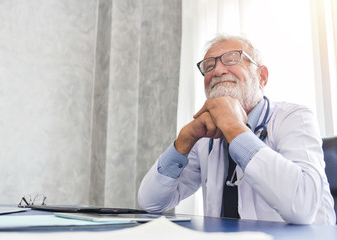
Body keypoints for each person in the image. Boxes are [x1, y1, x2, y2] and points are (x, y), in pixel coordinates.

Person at [138, 34, 336, 225]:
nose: (216, 71)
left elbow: (302, 206)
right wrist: (185, 138)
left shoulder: (294, 118)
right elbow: (151, 203)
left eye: (232, 59)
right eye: (209, 66)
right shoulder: (205, 138)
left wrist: (234, 129)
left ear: (262, 77)